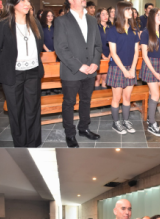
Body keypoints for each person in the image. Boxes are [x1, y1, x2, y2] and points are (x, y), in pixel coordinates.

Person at [54, 0, 103, 148]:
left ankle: (84, 128)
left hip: (90, 70)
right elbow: (61, 48)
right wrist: (79, 66)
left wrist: (95, 62)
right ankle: (70, 133)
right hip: (72, 71)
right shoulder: (62, 21)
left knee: (86, 100)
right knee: (69, 103)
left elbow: (98, 45)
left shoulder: (92, 20)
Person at [0, 0, 45, 147]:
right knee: (16, 112)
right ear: (13, 4)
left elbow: (39, 45)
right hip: (13, 73)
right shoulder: (3, 25)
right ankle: (21, 145)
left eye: (28, 0)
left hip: (33, 72)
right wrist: (9, 63)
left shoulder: (35, 22)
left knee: (32, 109)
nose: (27, 3)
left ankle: (34, 143)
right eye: (22, 0)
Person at [106, 1, 140, 135]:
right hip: (117, 68)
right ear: (120, 11)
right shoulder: (113, 30)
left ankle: (126, 120)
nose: (130, 12)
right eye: (127, 9)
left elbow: (137, 51)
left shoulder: (134, 29)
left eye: (131, 9)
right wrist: (125, 71)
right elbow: (113, 53)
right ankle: (116, 123)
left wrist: (132, 69)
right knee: (117, 98)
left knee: (127, 97)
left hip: (130, 67)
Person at [140, 7, 160, 137]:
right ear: (152, 17)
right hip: (150, 66)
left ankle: (150, 119)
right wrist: (154, 72)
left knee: (153, 94)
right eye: (158, 15)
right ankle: (152, 123)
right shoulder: (146, 33)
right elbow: (145, 56)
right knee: (156, 95)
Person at [95, 8, 110, 90]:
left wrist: (110, 55)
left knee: (105, 79)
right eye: (103, 14)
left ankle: (104, 101)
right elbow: (95, 43)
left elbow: (113, 43)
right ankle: (97, 100)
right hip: (98, 55)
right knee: (97, 79)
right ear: (99, 16)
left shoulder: (111, 28)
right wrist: (102, 55)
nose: (105, 16)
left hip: (109, 55)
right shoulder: (96, 27)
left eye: (107, 14)